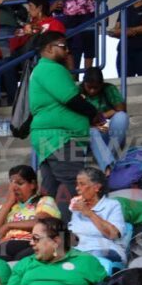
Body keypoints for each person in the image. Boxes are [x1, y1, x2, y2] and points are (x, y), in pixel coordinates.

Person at [29, 31, 98, 220]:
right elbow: (70, 99)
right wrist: (94, 113)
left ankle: (44, 229)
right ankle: (71, 232)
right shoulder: (51, 68)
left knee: (50, 191)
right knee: (74, 185)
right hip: (60, 138)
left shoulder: (43, 69)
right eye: (63, 46)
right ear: (50, 48)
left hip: (51, 138)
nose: (68, 51)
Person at [0, 165, 61, 260]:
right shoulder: (6, 206)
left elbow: (42, 223)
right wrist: (8, 203)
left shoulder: (44, 201)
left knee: (22, 257)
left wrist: (8, 226)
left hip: (31, 244)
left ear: (32, 184)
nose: (15, 188)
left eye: (20, 183)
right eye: (12, 184)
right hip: (4, 247)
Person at [68, 167, 128, 262]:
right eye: (77, 184)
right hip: (78, 251)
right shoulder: (78, 207)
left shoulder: (112, 205)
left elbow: (113, 234)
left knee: (89, 258)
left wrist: (90, 214)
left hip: (104, 250)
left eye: (82, 184)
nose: (77, 188)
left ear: (96, 187)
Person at [81, 67, 130, 172]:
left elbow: (121, 109)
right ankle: (110, 166)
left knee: (122, 117)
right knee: (92, 131)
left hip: (105, 128)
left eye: (96, 88)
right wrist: (92, 124)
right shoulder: (77, 91)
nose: (92, 91)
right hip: (86, 130)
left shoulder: (108, 89)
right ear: (83, 83)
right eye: (89, 87)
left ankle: (108, 155)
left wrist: (101, 117)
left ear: (102, 84)